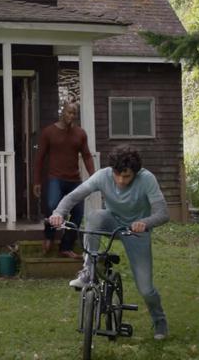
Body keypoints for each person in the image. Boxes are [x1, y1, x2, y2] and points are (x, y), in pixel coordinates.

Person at [48, 144, 170, 340]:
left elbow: (163, 214)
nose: (121, 181)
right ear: (112, 170)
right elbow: (73, 196)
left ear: (135, 173)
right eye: (118, 175)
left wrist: (144, 223)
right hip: (111, 222)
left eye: (127, 176)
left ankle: (160, 321)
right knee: (95, 216)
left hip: (136, 232)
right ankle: (89, 271)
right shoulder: (103, 175)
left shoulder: (147, 179)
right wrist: (58, 213)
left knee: (146, 289)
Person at [33, 102, 95, 259]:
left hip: (74, 180)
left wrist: (94, 177)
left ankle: (65, 247)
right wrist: (37, 181)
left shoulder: (80, 134)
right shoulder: (49, 132)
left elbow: (87, 156)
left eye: (74, 113)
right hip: (56, 178)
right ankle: (49, 236)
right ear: (62, 112)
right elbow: (39, 158)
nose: (71, 116)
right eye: (69, 112)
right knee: (53, 206)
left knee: (78, 213)